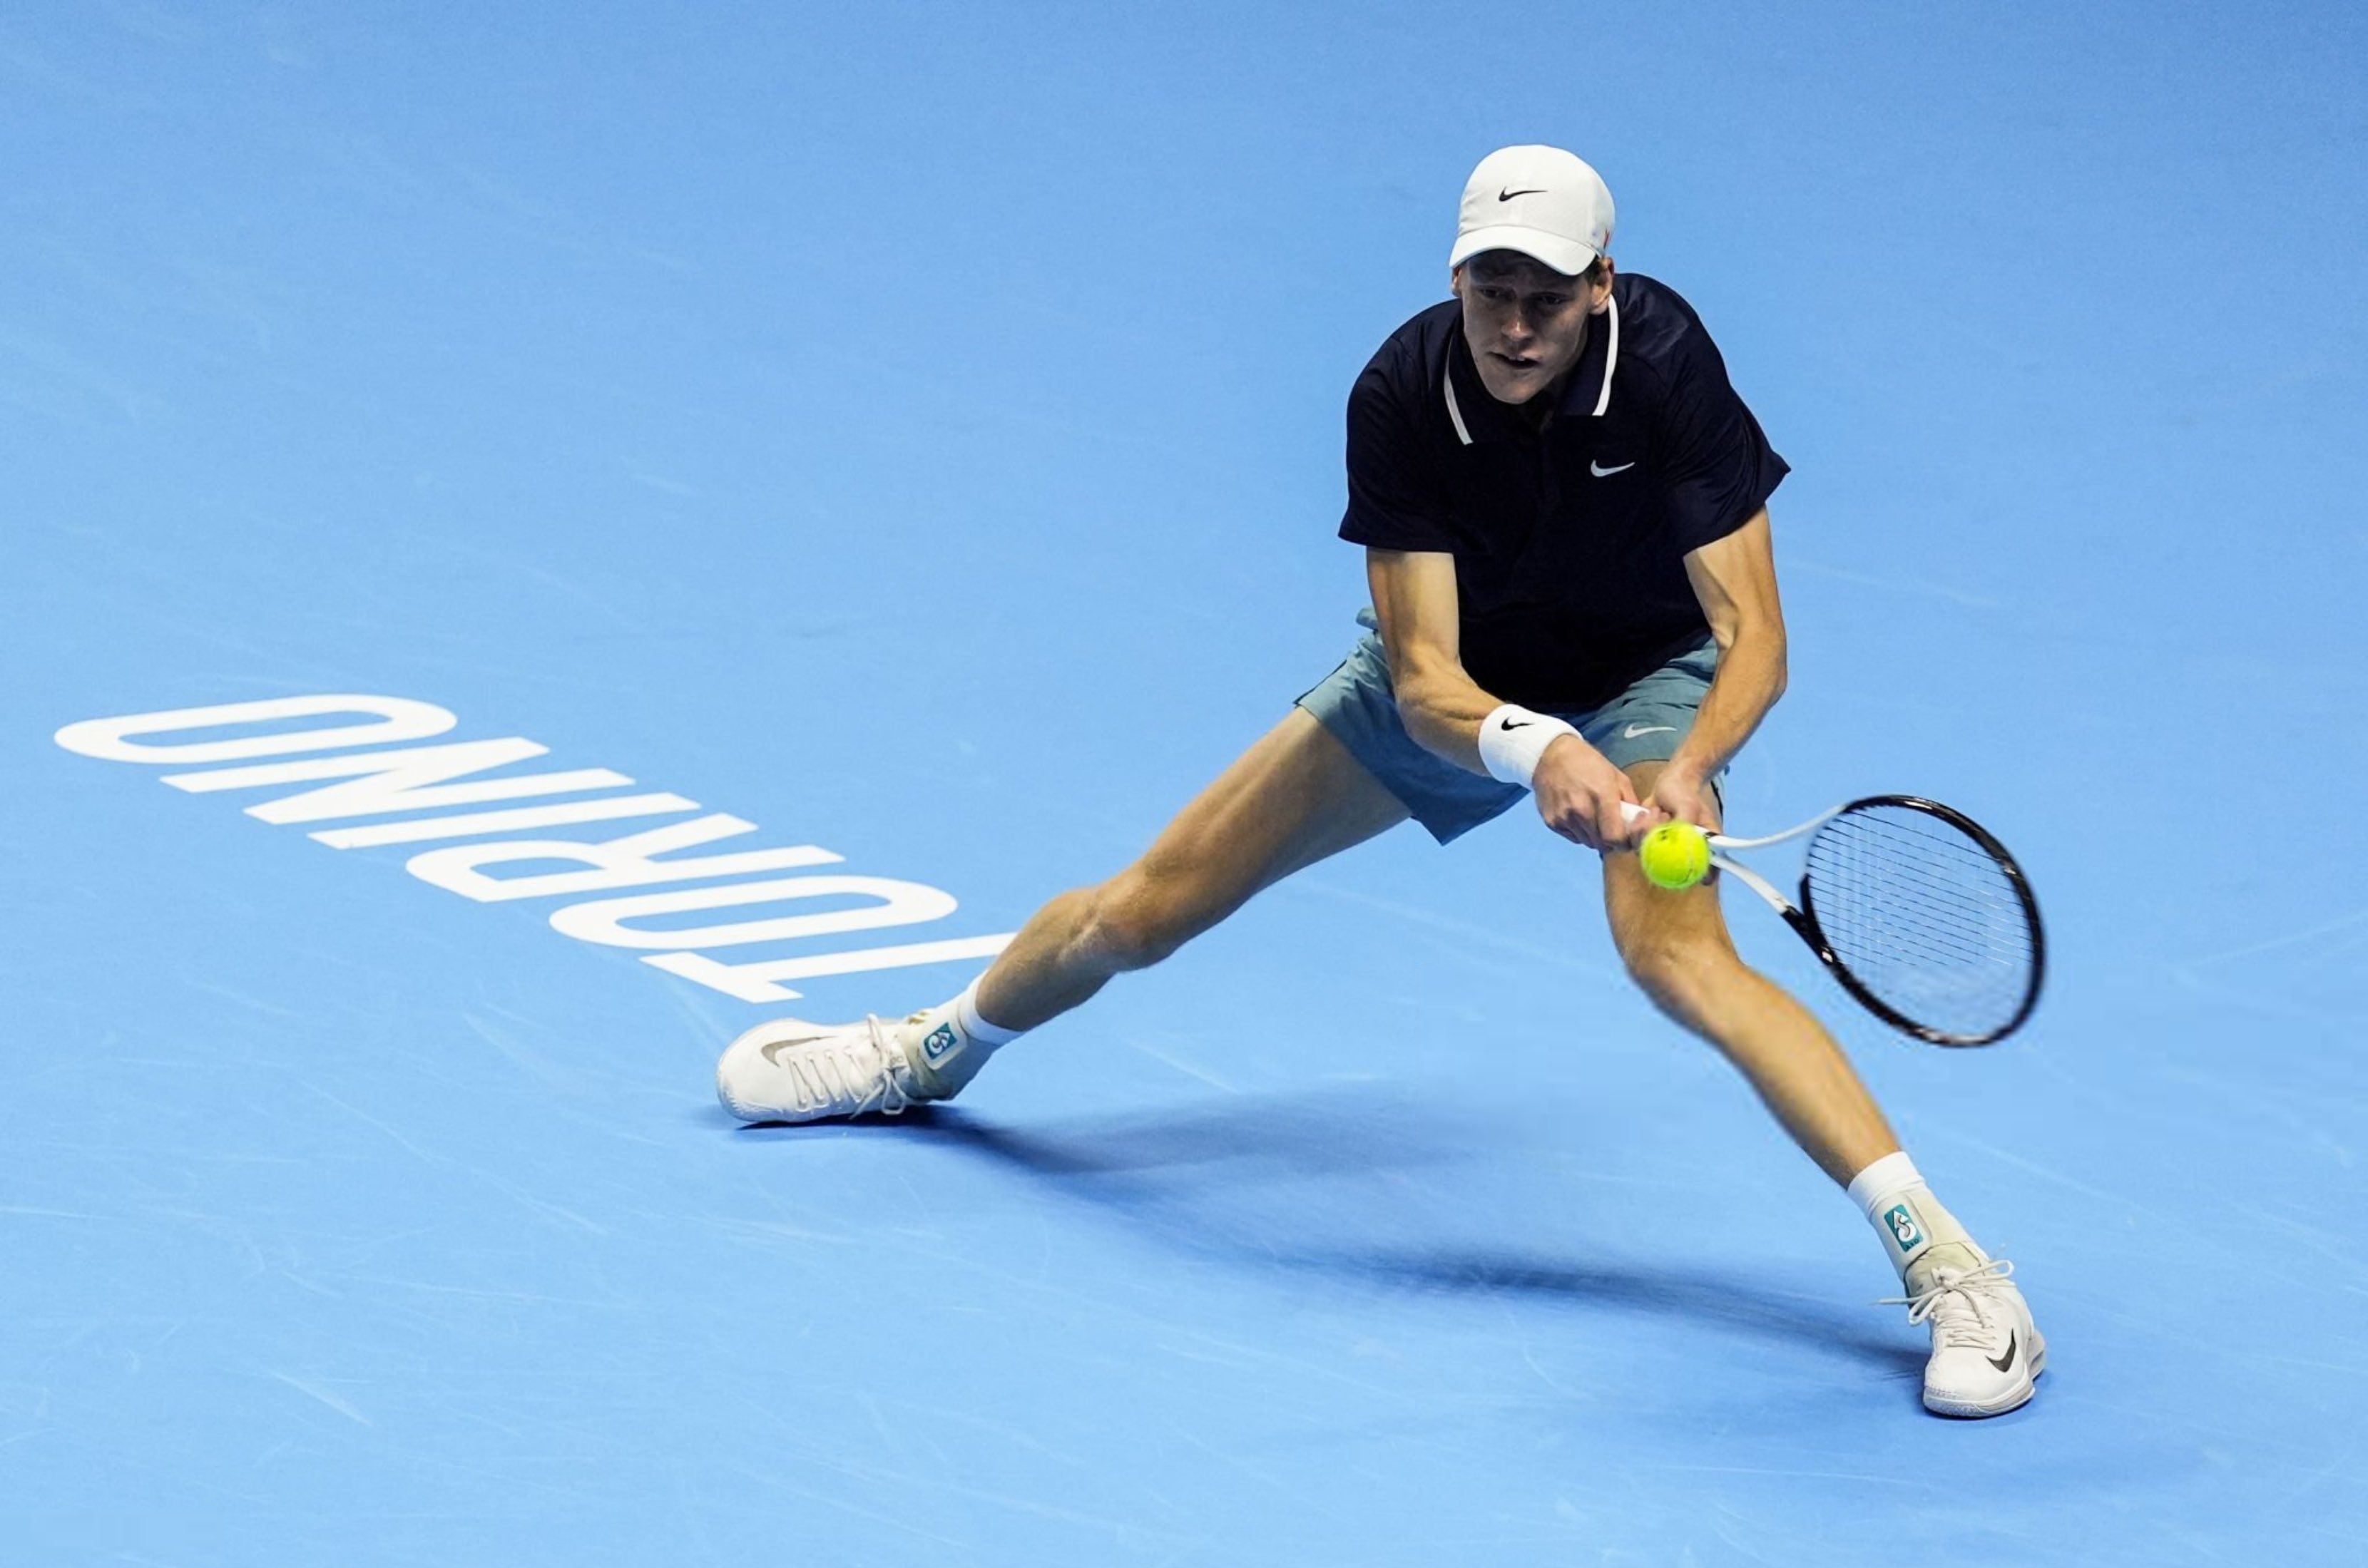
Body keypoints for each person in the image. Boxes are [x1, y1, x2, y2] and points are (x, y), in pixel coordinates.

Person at [715, 145, 2046, 1418]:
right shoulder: (1403, 393)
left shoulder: (1668, 361)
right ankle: (923, 1055)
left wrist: (1688, 766)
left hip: (1650, 678)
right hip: (1472, 682)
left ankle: (1958, 1273)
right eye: (1489, 293)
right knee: (1147, 908)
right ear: (1455, 278)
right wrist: (1539, 747)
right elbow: (1422, 677)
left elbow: (1756, 633)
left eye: (1544, 299)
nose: (1514, 327)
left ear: (1601, 287)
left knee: (1677, 959)